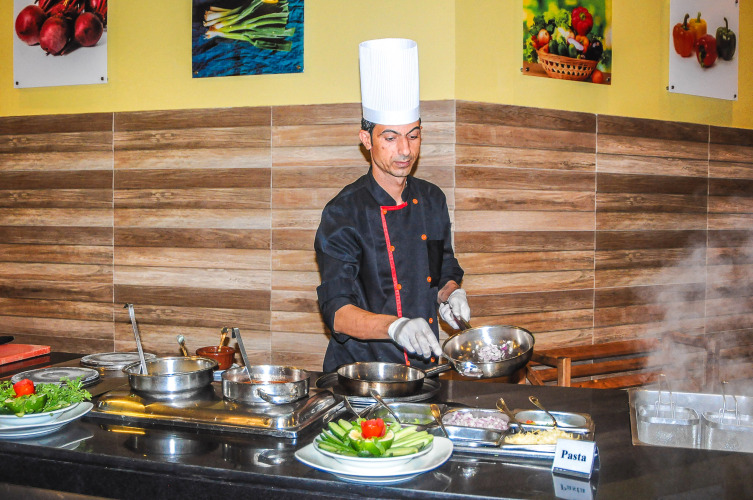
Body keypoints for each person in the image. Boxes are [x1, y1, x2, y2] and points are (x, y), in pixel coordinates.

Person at [315, 38, 470, 373]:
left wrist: (450, 295)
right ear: (366, 140)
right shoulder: (343, 212)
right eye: (390, 138)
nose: (405, 150)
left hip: (425, 371)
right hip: (362, 375)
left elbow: (440, 269)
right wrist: (395, 327)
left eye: (413, 136)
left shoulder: (432, 200)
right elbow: (337, 312)